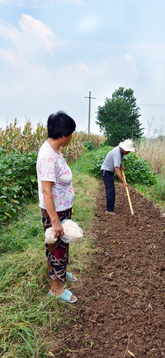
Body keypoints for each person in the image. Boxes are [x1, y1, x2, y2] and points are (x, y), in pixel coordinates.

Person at [36, 111, 78, 304]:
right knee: (57, 250)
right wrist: (55, 221)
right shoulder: (48, 156)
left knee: (59, 247)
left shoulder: (55, 150)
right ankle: (56, 289)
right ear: (63, 135)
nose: (71, 137)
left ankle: (59, 274)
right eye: (70, 133)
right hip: (55, 213)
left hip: (62, 209)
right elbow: (46, 192)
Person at [100, 139, 135, 214]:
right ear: (124, 148)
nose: (128, 152)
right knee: (110, 191)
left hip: (109, 171)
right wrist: (123, 181)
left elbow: (117, 161)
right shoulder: (117, 152)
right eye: (128, 151)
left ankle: (111, 204)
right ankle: (109, 210)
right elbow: (116, 169)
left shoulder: (121, 152)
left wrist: (121, 164)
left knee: (111, 190)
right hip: (106, 172)